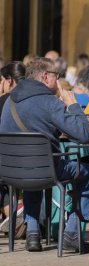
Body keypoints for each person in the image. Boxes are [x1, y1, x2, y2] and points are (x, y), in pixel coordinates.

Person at [0, 57, 89, 252]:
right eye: (57, 76)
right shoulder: (50, 102)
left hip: (11, 172)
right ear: (45, 76)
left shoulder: (9, 99)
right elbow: (84, 134)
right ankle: (72, 231)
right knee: (88, 171)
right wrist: (73, 104)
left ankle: (33, 232)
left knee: (33, 167)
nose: (59, 81)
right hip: (45, 170)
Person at [0, 61, 26, 236]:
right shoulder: (38, 100)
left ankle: (12, 213)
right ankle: (16, 213)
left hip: (5, 164)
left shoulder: (3, 101)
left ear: (8, 80)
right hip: (36, 164)